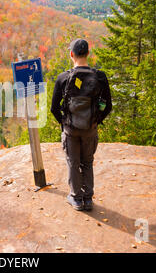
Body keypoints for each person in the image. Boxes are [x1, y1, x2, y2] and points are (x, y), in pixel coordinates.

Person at [51, 38, 112, 211]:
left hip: (71, 130)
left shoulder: (63, 78)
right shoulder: (99, 77)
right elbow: (108, 106)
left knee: (73, 162)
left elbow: (54, 108)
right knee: (87, 161)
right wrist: (95, 121)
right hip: (90, 129)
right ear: (88, 54)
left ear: (72, 54)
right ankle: (88, 199)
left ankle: (76, 199)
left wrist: (65, 124)